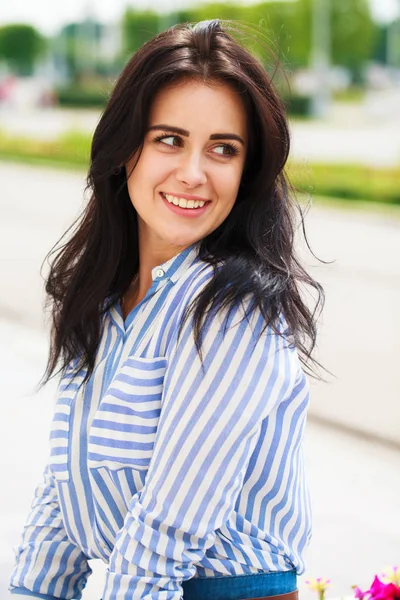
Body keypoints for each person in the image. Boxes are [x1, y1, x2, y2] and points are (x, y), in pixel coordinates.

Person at [9, 19, 324, 600]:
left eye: (223, 149)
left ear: (246, 171)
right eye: (169, 139)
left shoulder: (233, 310)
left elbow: (162, 539)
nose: (194, 173)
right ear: (125, 147)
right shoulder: (102, 299)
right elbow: (65, 495)